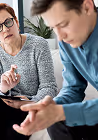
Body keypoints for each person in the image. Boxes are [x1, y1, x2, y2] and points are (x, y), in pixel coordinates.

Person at [13, 0, 98, 140]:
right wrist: (51, 107)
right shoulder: (66, 42)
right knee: (55, 120)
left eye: (63, 24)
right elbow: (73, 88)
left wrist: (61, 112)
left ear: (87, 7)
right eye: (53, 28)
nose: (60, 37)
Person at [0, 3, 58, 140]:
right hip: (4, 105)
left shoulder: (39, 45)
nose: (5, 29)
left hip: (28, 105)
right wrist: (3, 87)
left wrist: (29, 102)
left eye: (8, 22)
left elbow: (49, 87)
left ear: (16, 22)